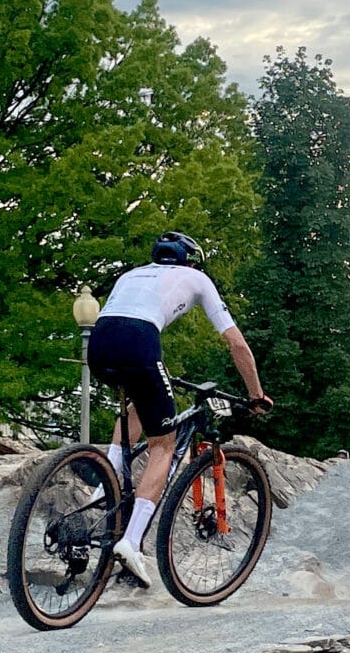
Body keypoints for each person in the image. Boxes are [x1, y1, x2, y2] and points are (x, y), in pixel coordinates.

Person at [94, 231, 271, 583]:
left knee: (138, 400)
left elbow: (123, 321)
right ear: (191, 261)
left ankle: (107, 479)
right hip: (141, 341)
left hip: (99, 341)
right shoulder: (197, 278)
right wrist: (256, 394)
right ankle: (131, 543)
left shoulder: (130, 275)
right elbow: (237, 345)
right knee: (164, 444)